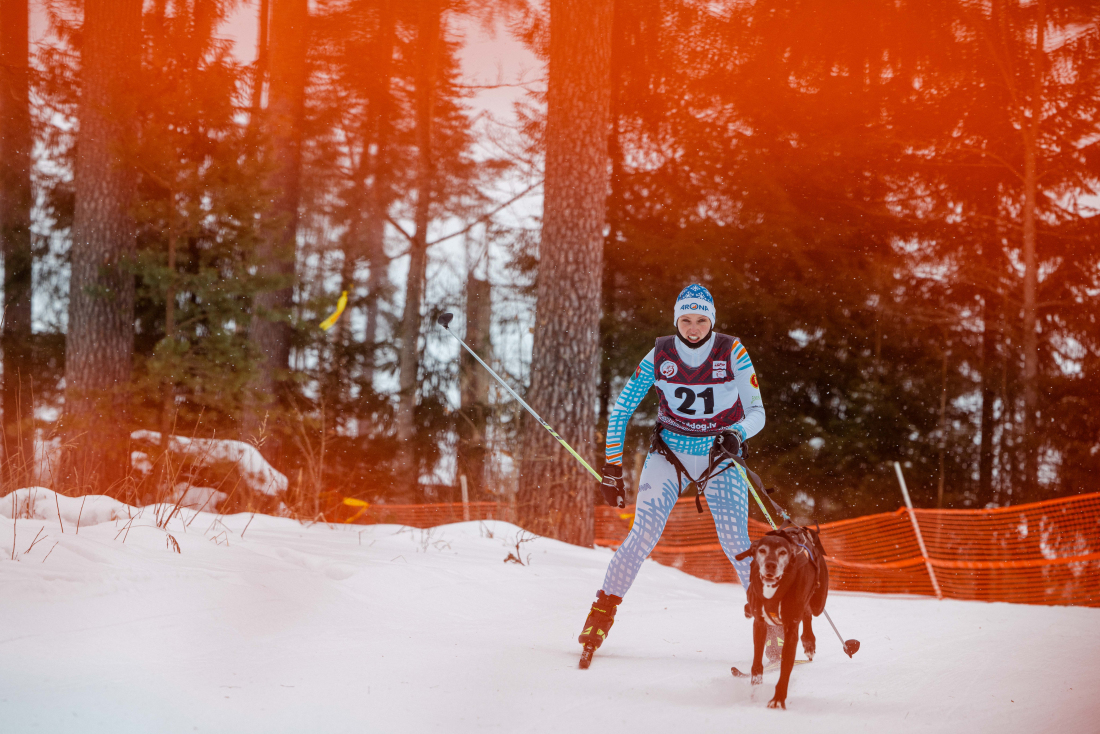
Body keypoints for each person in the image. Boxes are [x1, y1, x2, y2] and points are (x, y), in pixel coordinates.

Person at [578, 284, 779, 664]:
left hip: (720, 456)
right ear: (676, 320)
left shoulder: (732, 351)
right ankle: (599, 616)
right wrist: (612, 469)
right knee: (642, 534)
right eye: (686, 320)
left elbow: (757, 412)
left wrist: (736, 433)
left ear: (712, 320)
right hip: (670, 454)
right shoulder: (660, 354)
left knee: (736, 541)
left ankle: (772, 623)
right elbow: (621, 411)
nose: (693, 328)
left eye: (701, 320)